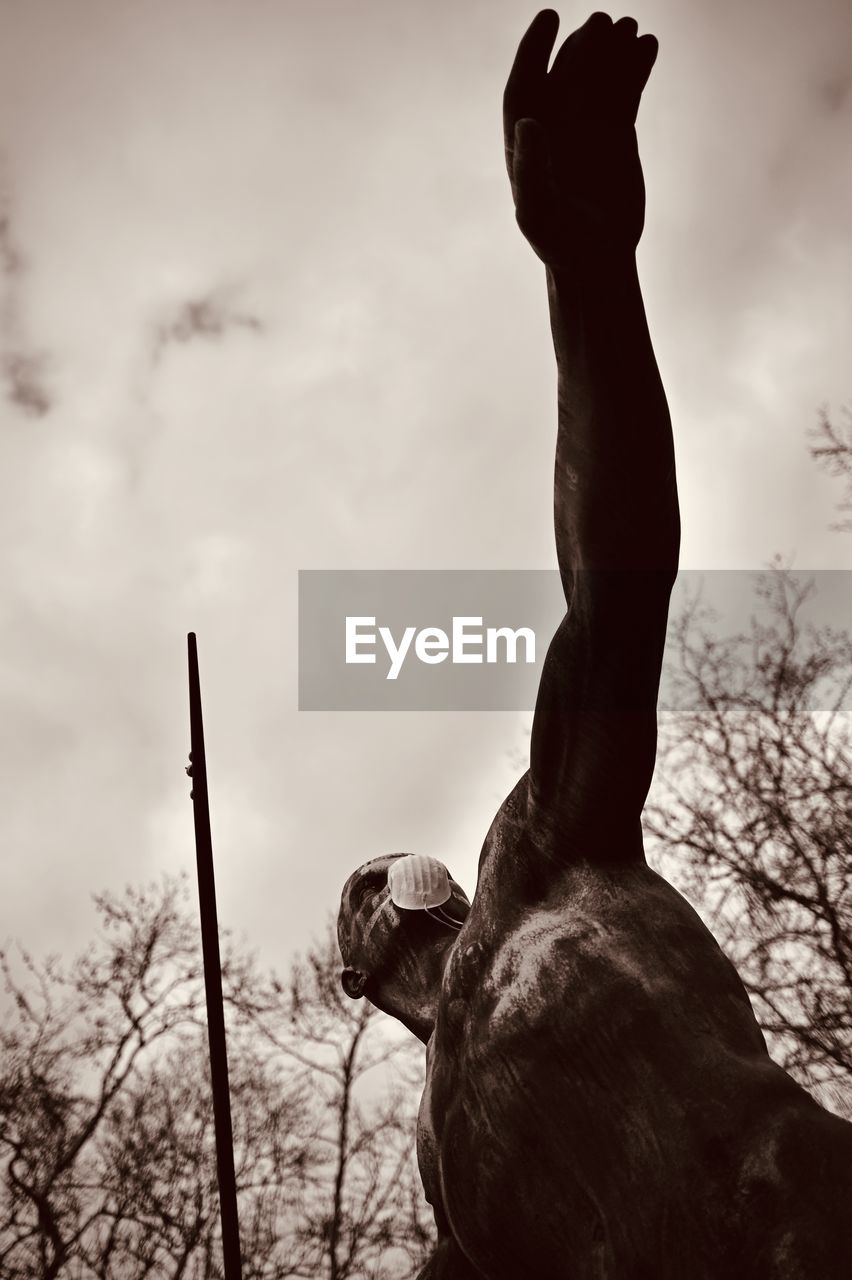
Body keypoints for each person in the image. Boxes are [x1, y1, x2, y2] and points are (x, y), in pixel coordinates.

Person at [337, 12, 852, 1278]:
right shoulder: (449, 1176)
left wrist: (589, 272)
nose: (404, 923)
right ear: (365, 978)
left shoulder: (546, 857)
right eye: (381, 918)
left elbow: (617, 593)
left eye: (404, 896)